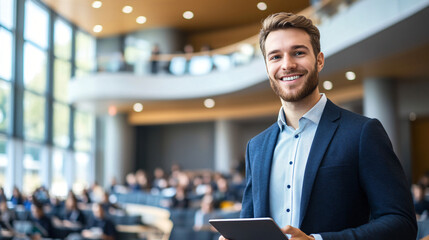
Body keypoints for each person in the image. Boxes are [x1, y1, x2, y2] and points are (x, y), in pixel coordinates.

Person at [219, 12, 416, 240]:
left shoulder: (363, 132)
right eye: (275, 57)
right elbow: (250, 223)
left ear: (319, 60)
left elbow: (401, 223)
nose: (287, 64)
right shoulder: (257, 147)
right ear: (267, 68)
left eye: (298, 53)